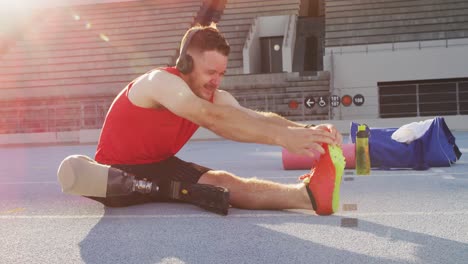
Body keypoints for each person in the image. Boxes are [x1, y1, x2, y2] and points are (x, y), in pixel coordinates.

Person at [91, 23, 343, 215]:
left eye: (221, 73)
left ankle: (308, 196)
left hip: (159, 164)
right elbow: (209, 117)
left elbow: (252, 118)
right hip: (113, 171)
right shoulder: (160, 83)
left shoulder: (212, 94)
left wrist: (310, 132)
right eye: (210, 72)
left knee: (223, 182)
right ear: (185, 63)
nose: (216, 81)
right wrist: (283, 138)